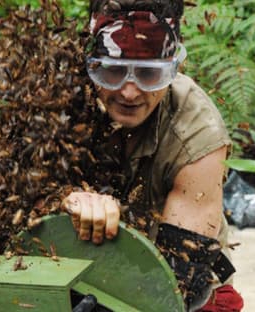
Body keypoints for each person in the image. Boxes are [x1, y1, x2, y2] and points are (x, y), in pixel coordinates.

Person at [62, 1, 244, 311]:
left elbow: (181, 282)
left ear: (174, 68)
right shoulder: (58, 101)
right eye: (113, 71)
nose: (129, 92)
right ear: (89, 64)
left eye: (148, 74)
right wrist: (64, 198)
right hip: (73, 268)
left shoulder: (198, 131)